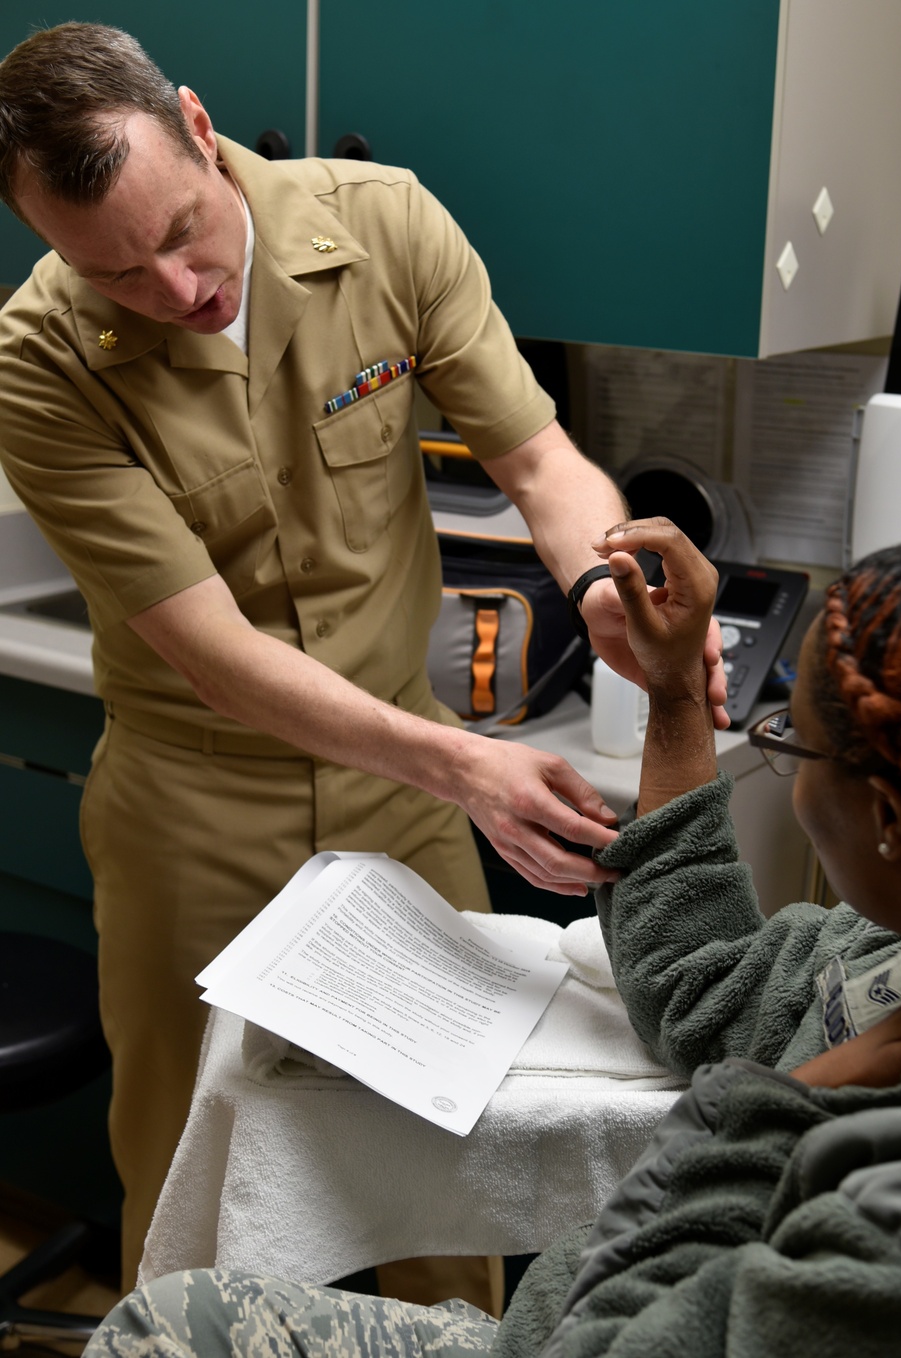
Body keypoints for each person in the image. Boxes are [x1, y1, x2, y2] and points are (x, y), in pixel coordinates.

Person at [0, 23, 729, 1296]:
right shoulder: (38, 357)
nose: (175, 290)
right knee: (194, 1183)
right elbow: (216, 655)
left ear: (197, 122)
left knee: (445, 1160)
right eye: (113, 270)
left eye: (179, 233)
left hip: (407, 787)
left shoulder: (383, 225)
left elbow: (538, 459)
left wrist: (602, 584)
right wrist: (470, 763)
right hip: (196, 802)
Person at [85, 520, 901, 1356]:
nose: (780, 758)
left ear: (887, 816)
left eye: (786, 742)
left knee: (163, 1338)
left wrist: (776, 1102)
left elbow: (595, 1336)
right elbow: (703, 986)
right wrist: (676, 692)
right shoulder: (899, 959)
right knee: (175, 1318)